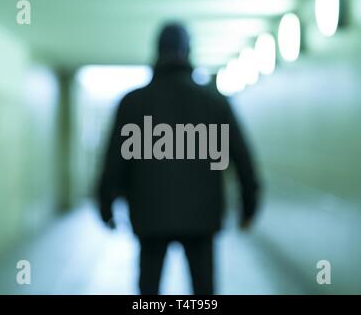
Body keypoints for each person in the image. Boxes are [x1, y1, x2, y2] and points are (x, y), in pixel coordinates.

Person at [95, 22, 260, 295]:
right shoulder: (214, 101)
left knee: (148, 290)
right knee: (203, 290)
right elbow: (242, 156)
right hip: (202, 216)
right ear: (189, 51)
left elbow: (114, 160)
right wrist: (249, 204)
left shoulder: (133, 103)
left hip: (150, 214)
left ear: (157, 51)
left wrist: (106, 203)